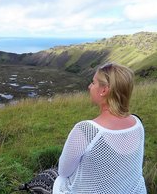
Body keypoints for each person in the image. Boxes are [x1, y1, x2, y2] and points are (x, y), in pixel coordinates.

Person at [19, 62, 147, 193]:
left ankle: (25, 187)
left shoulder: (87, 130)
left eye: (93, 82)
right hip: (130, 189)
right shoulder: (138, 124)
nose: (89, 86)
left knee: (46, 177)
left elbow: (63, 171)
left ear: (104, 90)